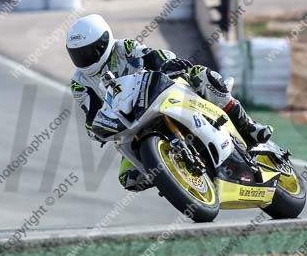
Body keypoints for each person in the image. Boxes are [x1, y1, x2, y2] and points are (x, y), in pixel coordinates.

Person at [67, 14, 272, 191]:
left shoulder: (124, 47)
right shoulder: (79, 82)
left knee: (203, 76)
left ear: (104, 41)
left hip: (155, 94)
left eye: (90, 51)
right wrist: (97, 130)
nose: (84, 58)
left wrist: (167, 63)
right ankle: (171, 173)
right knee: (129, 178)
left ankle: (249, 127)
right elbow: (91, 114)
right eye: (78, 54)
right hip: (129, 122)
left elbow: (151, 56)